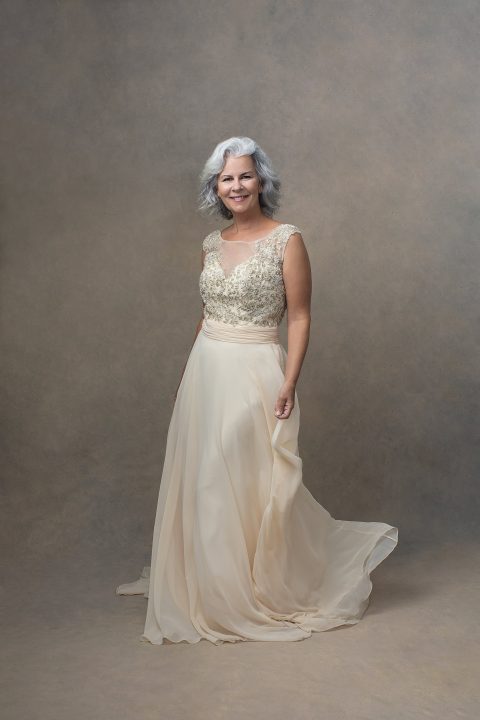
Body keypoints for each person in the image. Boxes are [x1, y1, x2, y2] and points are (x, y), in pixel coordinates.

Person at [116, 136, 398, 645]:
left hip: (257, 370)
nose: (237, 185)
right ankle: (211, 584)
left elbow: (301, 315)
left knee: (249, 478)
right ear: (215, 189)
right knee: (205, 476)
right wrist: (187, 372)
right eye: (226, 178)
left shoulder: (287, 239)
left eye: (245, 175)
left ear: (261, 181)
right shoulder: (210, 243)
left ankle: (254, 586)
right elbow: (207, 315)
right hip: (208, 368)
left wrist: (290, 381)